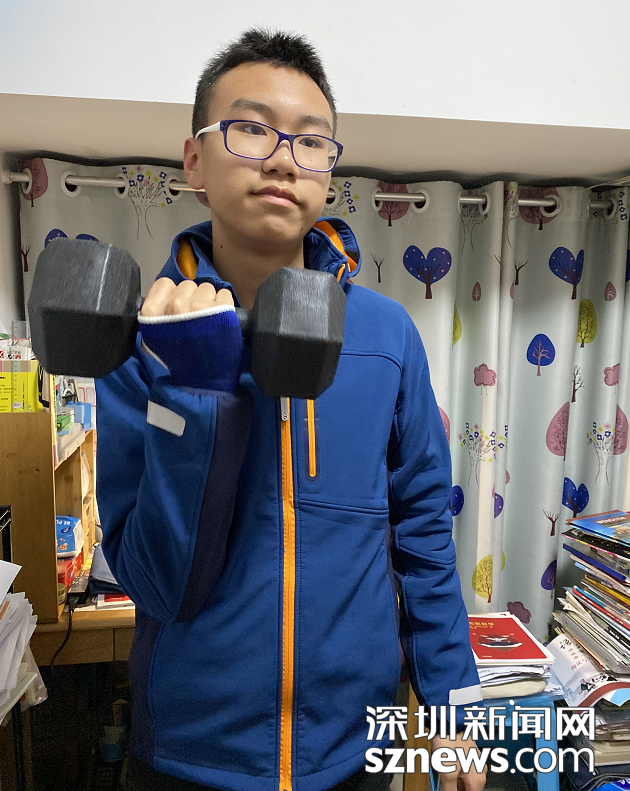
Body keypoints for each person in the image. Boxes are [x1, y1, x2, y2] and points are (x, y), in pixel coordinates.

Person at [95, 28, 487, 791]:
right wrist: (191, 387)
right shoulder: (142, 338)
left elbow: (423, 534)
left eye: (311, 141)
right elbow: (158, 585)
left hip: (355, 753)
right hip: (189, 758)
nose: (283, 159)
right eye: (251, 128)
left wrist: (452, 708)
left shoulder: (387, 336)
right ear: (194, 160)